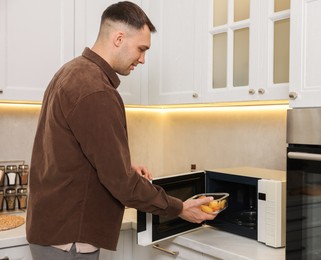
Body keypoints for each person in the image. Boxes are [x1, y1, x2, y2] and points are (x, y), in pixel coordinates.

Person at [26, 2, 215, 259]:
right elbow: (122, 185)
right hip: (70, 240)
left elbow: (72, 154)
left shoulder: (70, 72)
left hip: (53, 231)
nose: (143, 59)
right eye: (141, 49)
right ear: (118, 38)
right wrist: (179, 207)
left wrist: (122, 165)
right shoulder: (96, 90)